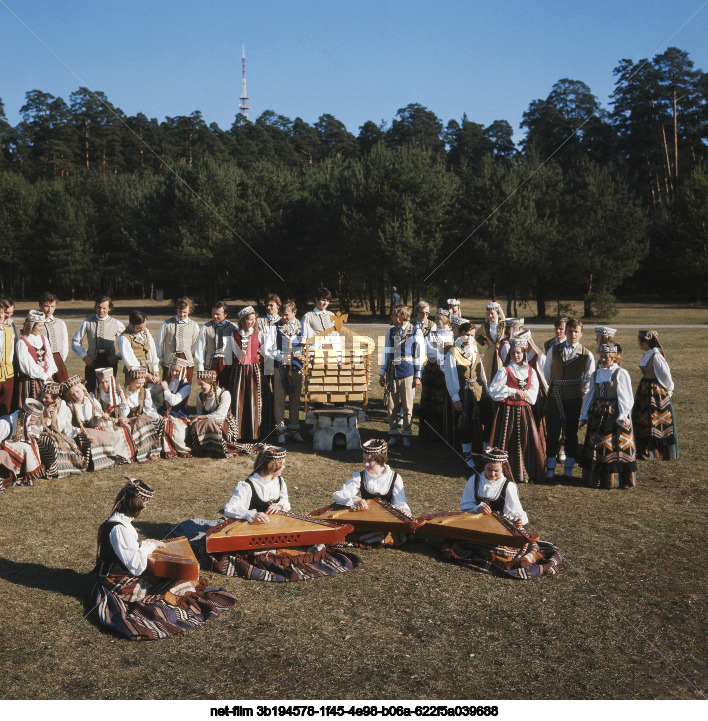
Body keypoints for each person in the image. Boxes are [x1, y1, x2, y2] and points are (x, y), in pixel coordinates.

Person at [180, 445, 361, 582]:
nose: (284, 467)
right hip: (252, 528)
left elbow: (286, 502)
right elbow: (231, 508)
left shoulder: (280, 481)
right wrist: (251, 514)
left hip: (275, 524)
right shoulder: (247, 485)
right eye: (282, 464)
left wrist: (281, 506)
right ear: (273, 465)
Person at [90, 478, 237, 641]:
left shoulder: (118, 522)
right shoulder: (118, 529)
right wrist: (146, 546)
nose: (145, 507)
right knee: (177, 581)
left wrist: (145, 544)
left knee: (178, 578)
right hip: (118, 580)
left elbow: (123, 550)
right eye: (144, 504)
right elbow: (136, 567)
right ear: (135, 505)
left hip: (118, 569)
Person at [440, 448, 562, 580]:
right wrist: (478, 507)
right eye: (489, 469)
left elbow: (515, 511)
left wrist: (518, 520)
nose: (492, 474)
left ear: (502, 469)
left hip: (501, 527)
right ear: (484, 466)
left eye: (496, 471)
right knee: (462, 537)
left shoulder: (508, 486)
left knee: (507, 549)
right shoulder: (474, 480)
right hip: (477, 524)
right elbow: (465, 505)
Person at [331, 438, 412, 547]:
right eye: (364, 459)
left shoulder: (394, 477)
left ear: (381, 459)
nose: (365, 464)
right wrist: (355, 500)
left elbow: (400, 502)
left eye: (369, 461)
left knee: (391, 533)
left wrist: (402, 510)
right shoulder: (360, 476)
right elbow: (339, 495)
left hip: (386, 521)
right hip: (367, 521)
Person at [487, 335, 546, 483]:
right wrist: (512, 392)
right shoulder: (505, 371)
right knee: (506, 440)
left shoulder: (530, 371)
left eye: (519, 352)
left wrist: (523, 395)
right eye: (513, 353)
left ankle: (524, 472)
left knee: (526, 441)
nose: (516, 355)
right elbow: (493, 390)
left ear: (524, 353)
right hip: (507, 412)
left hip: (524, 412)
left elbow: (533, 393)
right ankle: (503, 472)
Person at [578, 343, 637, 488]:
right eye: (602, 356)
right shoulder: (596, 374)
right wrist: (585, 414)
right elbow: (591, 394)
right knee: (597, 445)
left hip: (614, 414)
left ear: (615, 358)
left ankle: (616, 480)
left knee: (612, 445)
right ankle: (596, 479)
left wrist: (623, 415)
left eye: (607, 357)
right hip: (597, 414)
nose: (603, 360)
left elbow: (626, 396)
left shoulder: (620, 373)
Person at [543, 318, 595, 481]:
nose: (573, 334)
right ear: (565, 332)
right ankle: (550, 467)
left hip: (574, 398)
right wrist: (553, 389)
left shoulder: (587, 354)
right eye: (570, 331)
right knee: (552, 431)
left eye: (576, 331)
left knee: (571, 433)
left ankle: (568, 468)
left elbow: (588, 378)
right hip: (555, 396)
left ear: (581, 334)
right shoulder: (554, 350)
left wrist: (579, 391)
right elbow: (546, 372)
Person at [444, 321, 489, 467]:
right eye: (466, 335)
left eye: (471, 335)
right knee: (466, 423)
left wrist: (487, 391)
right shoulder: (453, 353)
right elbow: (450, 377)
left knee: (486, 419)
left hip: (479, 390)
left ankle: (485, 452)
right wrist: (455, 398)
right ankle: (467, 455)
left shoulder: (475, 349)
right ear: (460, 335)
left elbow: (481, 371)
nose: (469, 338)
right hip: (463, 392)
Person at [379, 304, 424, 448]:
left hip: (408, 373)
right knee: (391, 406)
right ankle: (393, 433)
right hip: (392, 373)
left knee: (407, 406)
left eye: (393, 315)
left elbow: (418, 355)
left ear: (401, 317)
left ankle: (406, 433)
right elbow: (386, 352)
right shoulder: (390, 332)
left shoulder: (416, 332)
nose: (391, 317)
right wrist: (382, 373)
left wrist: (418, 375)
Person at [632, 330, 678, 461]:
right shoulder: (647, 354)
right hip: (645, 389)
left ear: (645, 342)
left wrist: (669, 390)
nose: (638, 343)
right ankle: (644, 450)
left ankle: (657, 452)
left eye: (640, 341)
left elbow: (666, 375)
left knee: (655, 418)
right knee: (643, 418)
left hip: (655, 391)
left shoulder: (656, 356)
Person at [265, 300, 305, 445]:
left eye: (287, 314)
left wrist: (304, 355)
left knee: (295, 400)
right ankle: (280, 430)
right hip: (280, 368)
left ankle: (294, 429)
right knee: (279, 400)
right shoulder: (275, 327)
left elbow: (309, 344)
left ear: (294, 313)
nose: (284, 317)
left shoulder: (303, 327)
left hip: (297, 367)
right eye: (282, 314)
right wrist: (281, 357)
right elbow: (268, 348)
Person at [62, 375, 120, 471]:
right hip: (78, 433)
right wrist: (79, 431)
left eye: (77, 391)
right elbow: (67, 427)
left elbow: (96, 418)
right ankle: (88, 463)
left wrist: (98, 423)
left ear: (83, 390)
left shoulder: (92, 402)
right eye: (73, 394)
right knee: (88, 438)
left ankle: (106, 459)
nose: (76, 395)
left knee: (103, 433)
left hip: (91, 430)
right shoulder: (69, 407)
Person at [71, 295, 125, 394]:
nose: (101, 310)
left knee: (108, 389)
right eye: (98, 307)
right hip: (92, 361)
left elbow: (126, 343)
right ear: (95, 307)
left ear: (110, 308)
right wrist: (85, 357)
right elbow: (75, 341)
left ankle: (109, 409)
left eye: (104, 308)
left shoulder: (116, 324)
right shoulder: (87, 322)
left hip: (110, 361)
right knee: (90, 388)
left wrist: (117, 356)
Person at [36, 381, 87, 478]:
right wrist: (46, 417)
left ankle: (74, 465)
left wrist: (55, 414)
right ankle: (53, 469)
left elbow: (64, 427)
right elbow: (34, 427)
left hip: (58, 433)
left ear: (55, 397)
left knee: (66, 442)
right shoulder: (38, 404)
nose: (43, 399)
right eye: (42, 396)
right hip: (40, 433)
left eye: (46, 397)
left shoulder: (63, 406)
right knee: (51, 442)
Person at [229, 306, 264, 442]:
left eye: (254, 319)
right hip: (240, 370)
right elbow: (235, 351)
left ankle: (254, 433)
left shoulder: (258, 333)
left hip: (254, 369)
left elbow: (264, 348)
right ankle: (238, 433)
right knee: (239, 398)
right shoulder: (235, 334)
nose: (252, 322)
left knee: (254, 399)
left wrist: (258, 355)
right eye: (250, 319)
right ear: (243, 320)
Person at [418, 308, 454, 440]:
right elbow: (429, 351)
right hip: (433, 370)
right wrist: (443, 357)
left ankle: (444, 432)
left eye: (439, 318)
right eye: (436, 318)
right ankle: (428, 434)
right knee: (430, 400)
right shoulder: (432, 333)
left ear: (445, 320)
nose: (436, 321)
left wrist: (446, 358)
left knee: (444, 399)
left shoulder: (451, 334)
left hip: (448, 370)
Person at [188, 370, 237, 456]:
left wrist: (201, 417)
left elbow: (221, 415)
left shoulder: (224, 394)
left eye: (201, 384)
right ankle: (206, 447)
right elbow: (199, 413)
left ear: (210, 383)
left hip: (225, 424)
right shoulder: (199, 397)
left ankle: (217, 447)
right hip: (207, 424)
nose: (199, 387)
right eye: (198, 384)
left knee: (209, 422)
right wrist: (199, 418)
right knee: (197, 424)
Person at [0, 398, 45, 488]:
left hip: (8, 442)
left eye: (35, 421)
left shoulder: (23, 421)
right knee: (25, 447)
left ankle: (32, 473)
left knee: (32, 441)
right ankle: (25, 475)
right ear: (25, 416)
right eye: (32, 420)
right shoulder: (5, 423)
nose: (33, 423)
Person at [155, 297, 199, 384]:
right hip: (169, 361)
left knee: (185, 386)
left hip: (187, 361)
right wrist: (160, 358)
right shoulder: (167, 324)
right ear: (176, 310)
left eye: (184, 312)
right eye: (179, 311)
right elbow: (159, 342)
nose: (182, 314)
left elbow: (195, 344)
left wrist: (191, 356)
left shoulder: (194, 326)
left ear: (190, 310)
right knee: (167, 385)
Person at [16, 310, 58, 403]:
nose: (42, 328)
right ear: (31, 325)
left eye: (43, 325)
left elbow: (49, 358)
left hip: (47, 377)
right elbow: (27, 364)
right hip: (31, 379)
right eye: (39, 326)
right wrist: (43, 376)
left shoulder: (44, 339)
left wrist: (49, 373)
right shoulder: (22, 342)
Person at [116, 310, 161, 396]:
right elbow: (130, 360)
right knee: (135, 396)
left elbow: (152, 350)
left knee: (151, 396)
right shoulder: (124, 338)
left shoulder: (145, 331)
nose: (142, 329)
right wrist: (146, 375)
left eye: (144, 326)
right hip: (135, 374)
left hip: (149, 370)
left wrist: (155, 369)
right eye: (139, 328)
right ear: (131, 324)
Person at [122, 367, 162, 463]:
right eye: (138, 383)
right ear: (130, 381)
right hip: (128, 420)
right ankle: (143, 453)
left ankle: (152, 451)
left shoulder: (144, 392)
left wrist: (156, 416)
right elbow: (122, 414)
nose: (140, 385)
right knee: (141, 422)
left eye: (142, 383)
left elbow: (149, 409)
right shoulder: (123, 393)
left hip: (141, 418)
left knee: (154, 421)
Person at [257, 293, 281, 438]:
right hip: (264, 361)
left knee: (278, 392)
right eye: (267, 305)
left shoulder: (282, 320)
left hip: (278, 361)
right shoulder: (259, 321)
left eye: (272, 305)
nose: (269, 307)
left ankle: (278, 423)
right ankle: (265, 423)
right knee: (264, 391)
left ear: (278, 305)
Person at [158, 355, 192, 458]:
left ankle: (174, 450)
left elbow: (173, 401)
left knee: (177, 432)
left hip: (178, 414)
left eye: (177, 371)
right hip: (164, 411)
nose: (173, 373)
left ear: (183, 371)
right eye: (172, 370)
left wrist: (165, 389)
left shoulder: (186, 386)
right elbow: (154, 392)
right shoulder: (169, 381)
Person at [194, 301, 234, 389]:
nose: (215, 316)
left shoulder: (233, 328)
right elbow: (201, 348)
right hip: (210, 363)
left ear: (225, 314)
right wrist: (200, 366)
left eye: (218, 314)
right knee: (210, 389)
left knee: (226, 389)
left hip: (226, 364)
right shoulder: (205, 327)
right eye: (213, 313)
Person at [38, 292, 70, 382]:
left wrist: (61, 359)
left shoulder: (60, 323)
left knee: (62, 385)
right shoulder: (35, 323)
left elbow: (65, 344)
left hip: (58, 359)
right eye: (46, 306)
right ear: (40, 305)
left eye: (52, 306)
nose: (49, 310)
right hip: (42, 360)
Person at [476, 301, 507, 385]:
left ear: (497, 313)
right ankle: (488, 391)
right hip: (490, 352)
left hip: (502, 351)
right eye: (488, 314)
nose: (490, 316)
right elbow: (477, 334)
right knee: (489, 372)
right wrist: (485, 341)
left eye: (492, 314)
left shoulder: (504, 324)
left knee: (501, 371)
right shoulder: (485, 326)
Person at [0, 299, 16, 415]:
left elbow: (11, 353)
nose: (3, 316)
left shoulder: (9, 330)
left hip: (8, 373)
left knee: (6, 406)